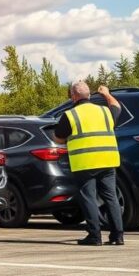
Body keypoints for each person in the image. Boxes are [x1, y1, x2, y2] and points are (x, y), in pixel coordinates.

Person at [53, 81, 124, 246]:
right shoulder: (105, 111)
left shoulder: (70, 115)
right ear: (89, 95)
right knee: (111, 197)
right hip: (108, 160)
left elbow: (58, 137)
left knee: (89, 198)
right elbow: (117, 107)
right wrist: (106, 93)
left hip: (85, 163)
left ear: (73, 97)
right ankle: (118, 235)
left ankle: (95, 235)